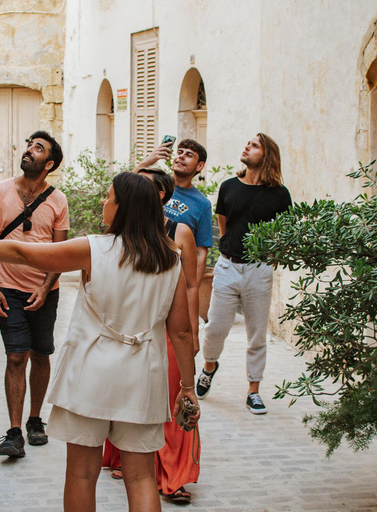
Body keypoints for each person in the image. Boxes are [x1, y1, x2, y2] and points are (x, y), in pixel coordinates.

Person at [0, 172, 200, 512]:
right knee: (141, 477)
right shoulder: (169, 259)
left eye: (108, 197)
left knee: (82, 473)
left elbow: (20, 252)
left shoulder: (93, 249)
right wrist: (187, 386)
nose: (103, 202)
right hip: (142, 375)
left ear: (123, 207)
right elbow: (182, 332)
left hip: (89, 373)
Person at [103, 168, 201, 502]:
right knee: (125, 395)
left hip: (166, 328)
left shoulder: (179, 230)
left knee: (170, 400)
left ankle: (173, 475)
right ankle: (122, 455)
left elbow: (189, 284)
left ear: (158, 194)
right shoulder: (118, 231)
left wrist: (192, 330)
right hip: (128, 329)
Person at [0, 130, 69, 457]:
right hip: (9, 290)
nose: (29, 150)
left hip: (46, 291)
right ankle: (14, 432)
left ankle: (35, 420)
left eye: (38, 148)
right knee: (16, 355)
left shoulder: (58, 200)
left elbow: (60, 251)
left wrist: (46, 288)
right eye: (29, 145)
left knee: (41, 354)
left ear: (50, 163)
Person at [196, 133, 292, 414]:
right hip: (227, 265)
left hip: (259, 269)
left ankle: (253, 390)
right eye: (248, 144)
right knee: (215, 327)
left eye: (254, 145)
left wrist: (267, 260)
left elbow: (284, 232)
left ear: (267, 155)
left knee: (256, 334)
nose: (247, 147)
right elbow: (224, 226)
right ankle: (210, 365)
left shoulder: (279, 194)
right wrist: (230, 251)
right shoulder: (228, 187)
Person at [135, 139, 212, 285]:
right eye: (179, 152)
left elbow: (200, 252)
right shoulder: (154, 184)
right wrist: (148, 161)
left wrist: (192, 288)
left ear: (200, 165)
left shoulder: (202, 204)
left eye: (189, 155)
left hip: (172, 276)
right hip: (139, 264)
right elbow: (121, 190)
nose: (181, 156)